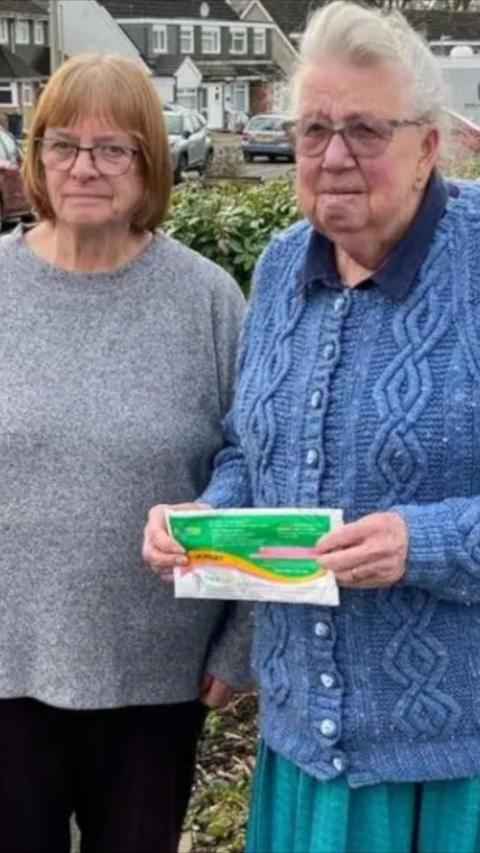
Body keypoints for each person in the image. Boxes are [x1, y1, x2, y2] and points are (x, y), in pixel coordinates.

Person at [142, 3, 480, 852]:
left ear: (428, 146)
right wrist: (207, 526)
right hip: (303, 741)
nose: (333, 156)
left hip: (454, 762)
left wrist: (425, 541)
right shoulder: (284, 263)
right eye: (314, 128)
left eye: (365, 129)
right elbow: (249, 449)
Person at [0, 53, 250, 853]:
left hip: (158, 671)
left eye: (115, 149)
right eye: (64, 144)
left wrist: (239, 637)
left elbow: (253, 462)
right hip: (7, 666)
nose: (85, 166)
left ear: (152, 160)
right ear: (35, 155)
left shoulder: (208, 299)